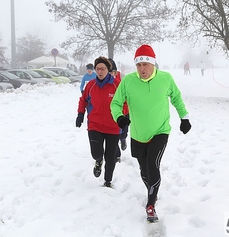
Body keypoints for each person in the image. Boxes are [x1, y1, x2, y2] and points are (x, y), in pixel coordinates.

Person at [110, 44, 191, 223]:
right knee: (144, 171)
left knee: (153, 164)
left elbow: (176, 97)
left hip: (160, 132)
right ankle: (152, 188)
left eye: (145, 64)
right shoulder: (128, 81)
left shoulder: (165, 78)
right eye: (138, 65)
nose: (142, 69)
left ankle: (151, 204)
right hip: (138, 135)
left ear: (153, 64)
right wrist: (120, 118)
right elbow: (115, 103)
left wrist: (184, 117)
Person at [76, 57, 121, 188]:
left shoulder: (117, 85)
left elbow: (125, 103)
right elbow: (83, 100)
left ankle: (108, 181)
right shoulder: (91, 85)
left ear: (108, 70)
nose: (100, 71)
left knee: (111, 157)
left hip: (113, 126)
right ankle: (98, 160)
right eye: (98, 69)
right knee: (96, 153)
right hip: (94, 125)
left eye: (103, 69)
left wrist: (121, 117)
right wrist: (80, 114)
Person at [108, 58, 129, 162]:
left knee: (123, 132)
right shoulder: (104, 81)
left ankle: (123, 139)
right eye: (109, 72)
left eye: (113, 72)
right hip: (112, 112)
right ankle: (116, 155)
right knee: (113, 134)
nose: (112, 74)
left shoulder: (123, 77)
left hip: (124, 110)